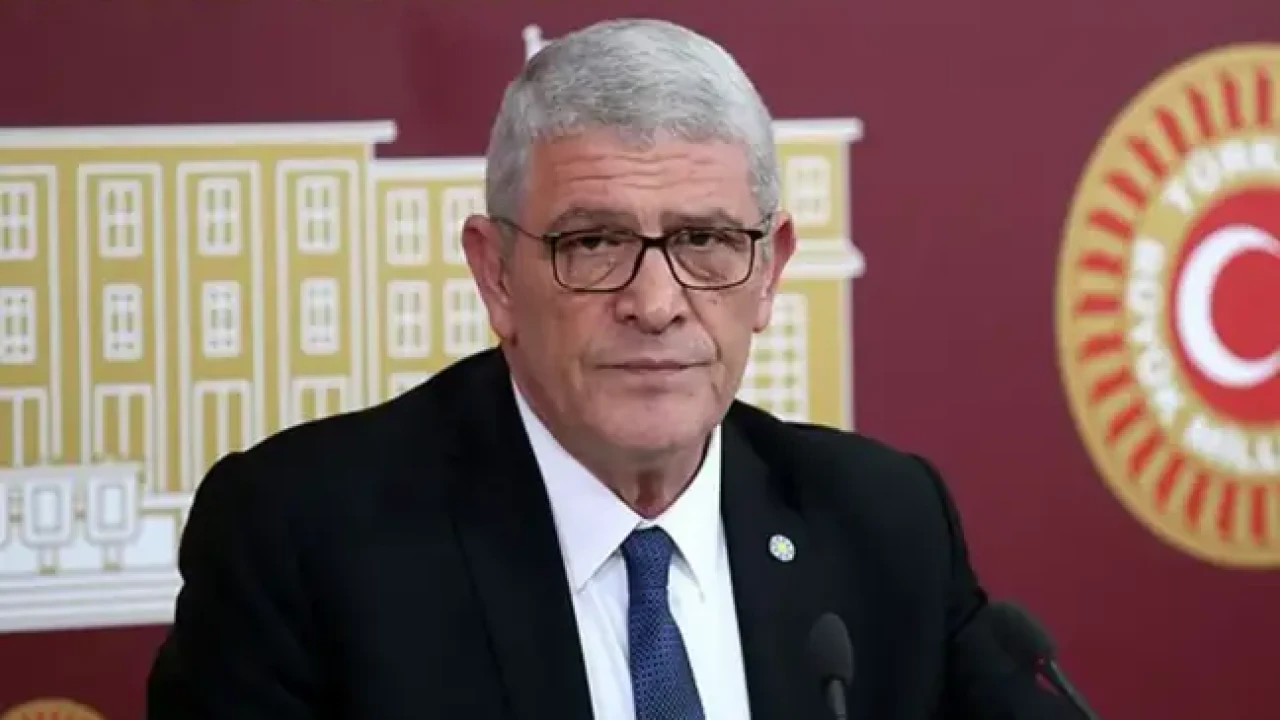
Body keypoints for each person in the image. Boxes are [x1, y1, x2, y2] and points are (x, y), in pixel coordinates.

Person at [146, 17, 1080, 720]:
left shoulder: (884, 523)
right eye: (593, 243)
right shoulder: (300, 542)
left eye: (706, 241)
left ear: (769, 272)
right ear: (496, 274)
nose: (656, 301)